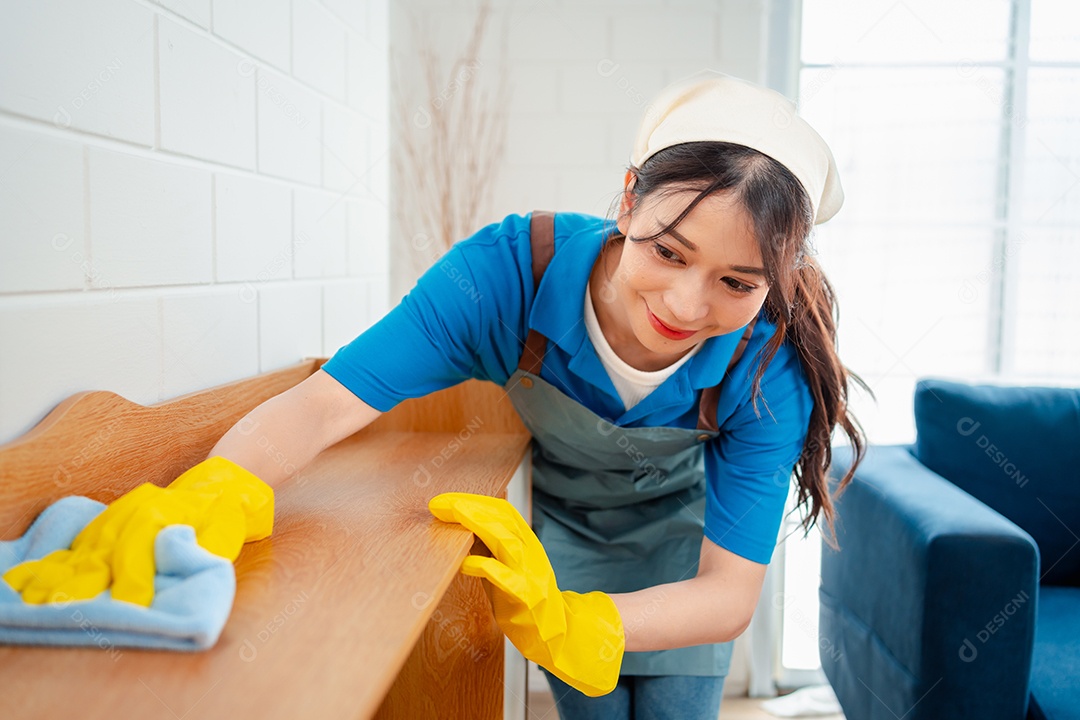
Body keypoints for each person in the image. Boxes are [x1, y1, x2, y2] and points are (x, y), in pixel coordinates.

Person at [5, 71, 866, 719]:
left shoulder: (767, 367)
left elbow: (727, 594)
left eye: (737, 283)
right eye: (669, 253)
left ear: (777, 281)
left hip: (686, 560)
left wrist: (582, 621)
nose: (685, 308)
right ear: (630, 196)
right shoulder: (506, 276)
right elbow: (325, 404)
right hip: (558, 542)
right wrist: (214, 491)